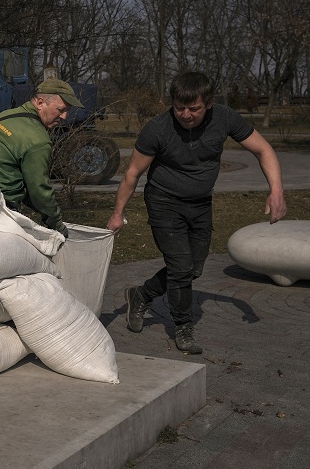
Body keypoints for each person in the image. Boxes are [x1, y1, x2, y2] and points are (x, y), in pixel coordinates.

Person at [106, 71, 286, 354]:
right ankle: (182, 327)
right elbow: (132, 174)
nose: (186, 115)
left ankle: (141, 294)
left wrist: (276, 191)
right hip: (164, 202)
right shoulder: (158, 129)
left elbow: (262, 150)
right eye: (180, 108)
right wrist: (118, 213)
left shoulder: (225, 118)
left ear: (210, 103)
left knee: (194, 269)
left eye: (194, 108)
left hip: (201, 203)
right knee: (180, 269)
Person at [0, 78, 83, 238]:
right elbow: (40, 192)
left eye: (67, 110)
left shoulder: (3, 117)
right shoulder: (38, 139)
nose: (65, 116)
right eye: (60, 110)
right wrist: (57, 226)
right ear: (41, 103)